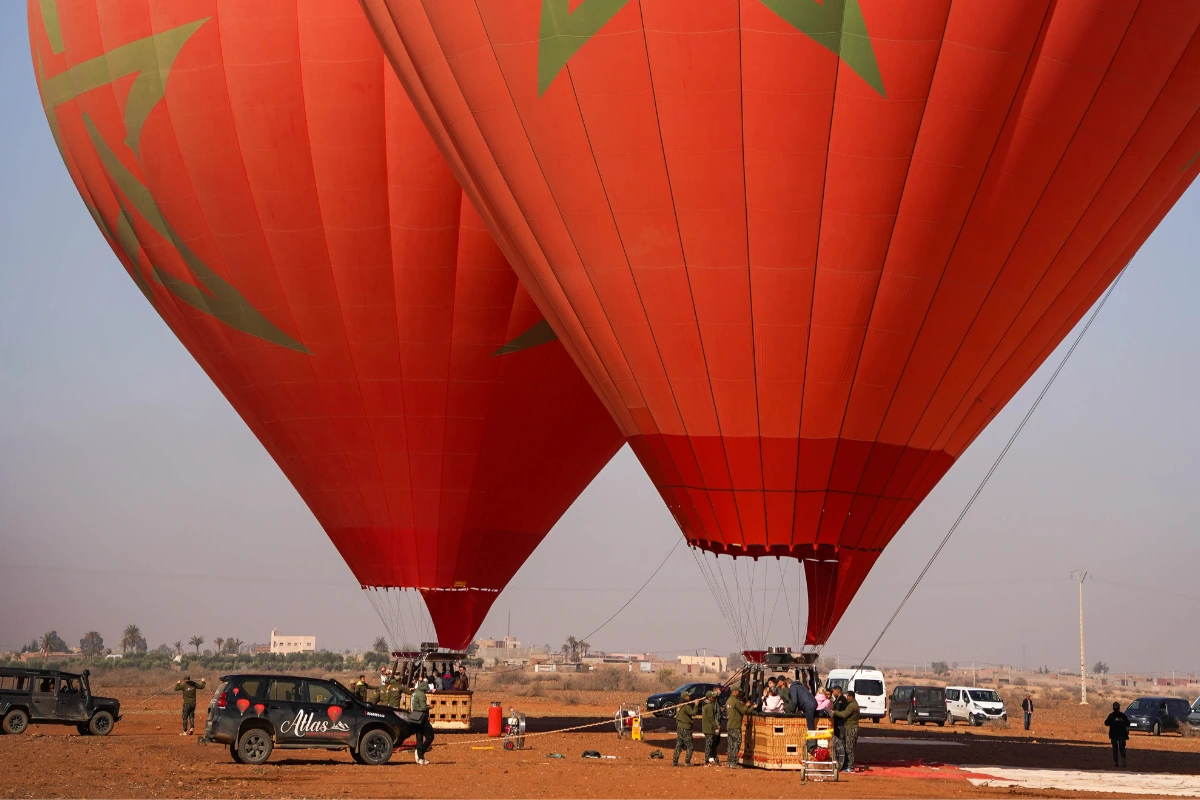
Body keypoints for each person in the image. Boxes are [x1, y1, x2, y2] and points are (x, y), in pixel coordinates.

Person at [832, 690, 860, 773]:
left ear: (851, 697)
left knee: (849, 748)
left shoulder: (852, 706)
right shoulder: (853, 704)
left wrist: (835, 712)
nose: (846, 698)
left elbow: (844, 714)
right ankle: (850, 765)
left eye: (847, 696)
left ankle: (851, 767)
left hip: (851, 728)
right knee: (850, 747)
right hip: (851, 727)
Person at [410, 677, 435, 764]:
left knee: (419, 738)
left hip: (414, 717)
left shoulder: (414, 693)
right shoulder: (421, 694)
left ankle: (421, 758)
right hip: (422, 717)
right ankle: (420, 753)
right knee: (430, 736)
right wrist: (429, 707)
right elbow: (423, 708)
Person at [724, 687, 749, 769]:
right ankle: (733, 762)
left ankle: (729, 762)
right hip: (735, 725)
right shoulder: (735, 701)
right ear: (734, 692)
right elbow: (743, 711)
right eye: (738, 691)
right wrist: (747, 706)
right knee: (737, 743)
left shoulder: (728, 700)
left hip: (730, 725)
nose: (739, 693)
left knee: (730, 744)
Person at [672, 690, 698, 766]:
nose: (689, 697)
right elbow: (693, 713)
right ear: (685, 697)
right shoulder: (686, 707)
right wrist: (696, 705)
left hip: (679, 727)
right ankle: (687, 762)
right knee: (690, 745)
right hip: (686, 728)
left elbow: (678, 717)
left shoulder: (678, 706)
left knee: (679, 744)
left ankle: (675, 761)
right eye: (688, 696)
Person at [1104, 701, 1130, 769]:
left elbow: (1106, 723)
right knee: (1122, 748)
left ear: (1113, 708)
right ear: (1119, 708)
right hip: (1122, 734)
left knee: (1115, 749)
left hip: (1113, 735)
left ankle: (1116, 763)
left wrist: (1112, 722)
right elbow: (1128, 723)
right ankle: (1123, 759)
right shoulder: (1122, 715)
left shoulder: (1111, 715)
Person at [701, 691, 720, 765]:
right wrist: (716, 727)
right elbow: (711, 718)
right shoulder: (709, 706)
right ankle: (707, 760)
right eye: (713, 697)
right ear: (709, 698)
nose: (714, 698)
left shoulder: (705, 705)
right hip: (709, 728)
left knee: (710, 745)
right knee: (709, 745)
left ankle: (716, 760)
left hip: (706, 728)